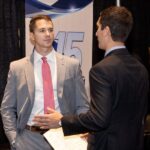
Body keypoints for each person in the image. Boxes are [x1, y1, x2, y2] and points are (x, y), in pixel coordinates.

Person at [33, 6, 149, 150]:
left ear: (106, 31)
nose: (96, 33)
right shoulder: (141, 68)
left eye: (98, 27)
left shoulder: (101, 70)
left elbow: (99, 119)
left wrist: (61, 121)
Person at [1, 14, 89, 150]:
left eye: (51, 29)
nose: (48, 34)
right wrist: (14, 140)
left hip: (65, 137)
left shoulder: (72, 65)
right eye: (42, 30)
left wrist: (80, 130)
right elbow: (7, 108)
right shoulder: (17, 67)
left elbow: (82, 105)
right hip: (28, 139)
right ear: (32, 36)